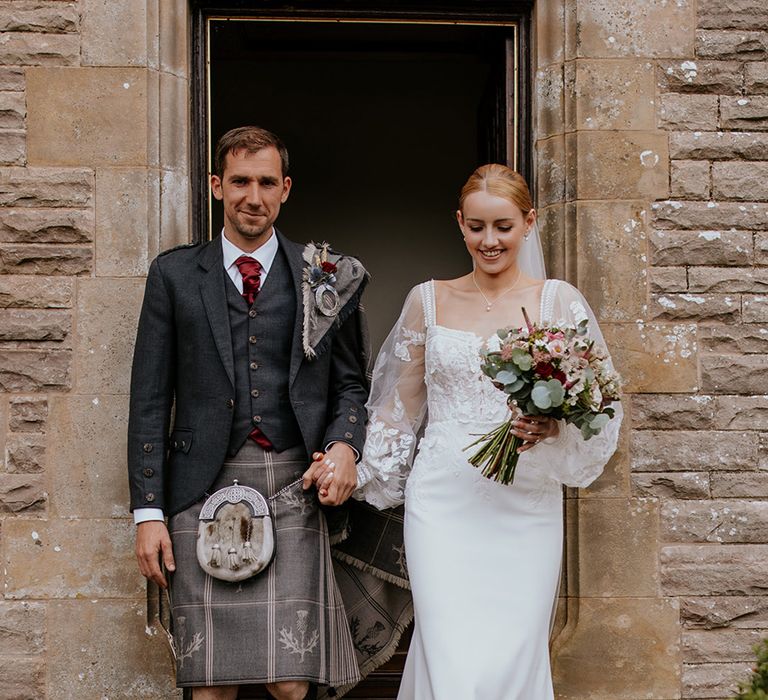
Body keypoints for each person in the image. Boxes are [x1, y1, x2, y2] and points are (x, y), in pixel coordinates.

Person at [354, 164, 623, 699]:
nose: (490, 240)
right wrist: (355, 470)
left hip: (525, 504)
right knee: (450, 651)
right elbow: (395, 411)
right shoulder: (427, 300)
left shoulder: (558, 302)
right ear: (459, 224)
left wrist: (551, 425)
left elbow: (601, 406)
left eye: (503, 226)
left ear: (529, 222)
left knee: (514, 652)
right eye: (477, 227)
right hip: (442, 504)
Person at [127, 126, 372, 700]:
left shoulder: (324, 276)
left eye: (266, 182)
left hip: (291, 486)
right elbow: (149, 400)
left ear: (285, 189)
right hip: (197, 488)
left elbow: (351, 385)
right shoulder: (174, 276)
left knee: (290, 683)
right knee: (212, 688)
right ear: (216, 186)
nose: (252, 197)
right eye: (239, 181)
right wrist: (148, 514)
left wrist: (344, 446)